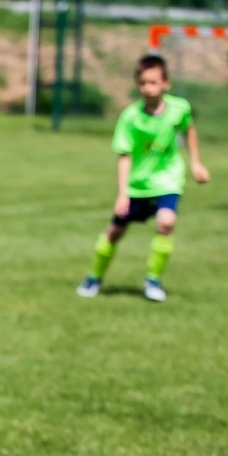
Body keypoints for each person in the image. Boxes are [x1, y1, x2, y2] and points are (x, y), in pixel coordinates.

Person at [78, 55, 209, 303]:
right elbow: (124, 155)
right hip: (137, 185)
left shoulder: (179, 108)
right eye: (143, 83)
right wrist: (122, 193)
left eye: (153, 82)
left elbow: (189, 130)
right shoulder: (130, 117)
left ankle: (153, 280)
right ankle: (94, 278)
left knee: (166, 223)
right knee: (114, 233)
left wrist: (196, 163)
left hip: (168, 180)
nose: (148, 88)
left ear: (166, 83)